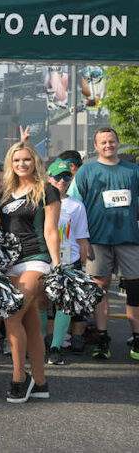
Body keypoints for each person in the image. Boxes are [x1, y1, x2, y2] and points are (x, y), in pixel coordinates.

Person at [68, 128, 139, 361]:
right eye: (103, 142)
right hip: (97, 240)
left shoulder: (133, 170)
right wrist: (81, 240)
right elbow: (74, 207)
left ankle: (137, 338)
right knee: (99, 289)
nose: (108, 145)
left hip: (129, 238)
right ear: (96, 146)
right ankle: (102, 337)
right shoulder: (86, 171)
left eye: (111, 141)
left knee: (135, 289)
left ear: (118, 143)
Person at [0, 142, 60, 403]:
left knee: (11, 317)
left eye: (26, 159)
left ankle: (18, 378)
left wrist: (56, 265)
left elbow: (51, 230)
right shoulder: (7, 192)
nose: (22, 164)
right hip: (12, 263)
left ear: (35, 161)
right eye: (16, 160)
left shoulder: (46, 190)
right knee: (30, 324)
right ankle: (41, 382)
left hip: (36, 259)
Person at [45, 159, 90, 365]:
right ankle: (39, 342)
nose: (62, 181)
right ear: (49, 178)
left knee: (64, 303)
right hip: (44, 259)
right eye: (57, 177)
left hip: (68, 261)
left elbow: (81, 238)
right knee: (42, 302)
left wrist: (82, 266)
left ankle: (55, 346)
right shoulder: (40, 200)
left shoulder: (77, 205)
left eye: (66, 177)